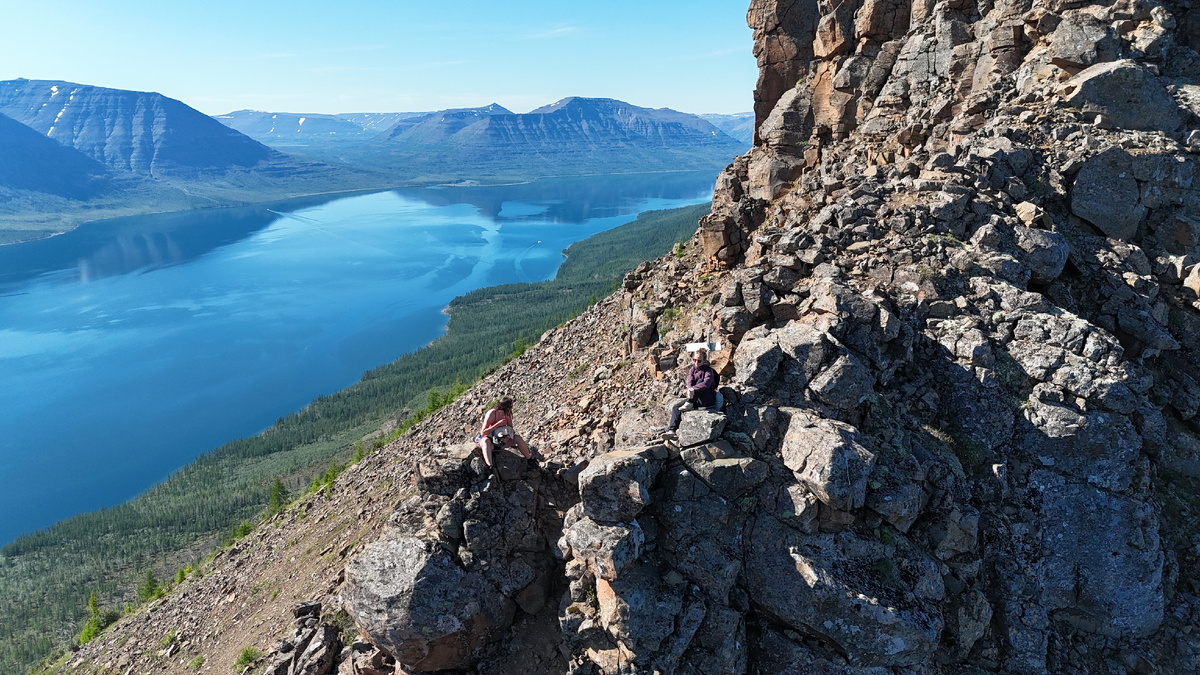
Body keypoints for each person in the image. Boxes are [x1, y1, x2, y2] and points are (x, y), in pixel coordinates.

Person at [665, 348, 719, 432]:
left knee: (700, 382)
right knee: (676, 407)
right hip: (695, 398)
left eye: (699, 361)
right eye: (694, 360)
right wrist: (689, 389)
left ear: (704, 360)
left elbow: (706, 384)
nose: (696, 362)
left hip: (707, 399)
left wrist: (693, 389)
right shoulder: (692, 369)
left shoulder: (708, 371)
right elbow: (689, 381)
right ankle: (671, 430)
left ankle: (690, 403)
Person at [478, 397, 530, 467]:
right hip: (491, 441)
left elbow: (510, 429)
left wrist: (507, 438)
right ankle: (490, 466)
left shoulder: (507, 414)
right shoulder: (492, 414)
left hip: (501, 441)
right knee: (485, 441)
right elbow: (483, 433)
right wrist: (497, 424)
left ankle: (529, 459)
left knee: (518, 439)